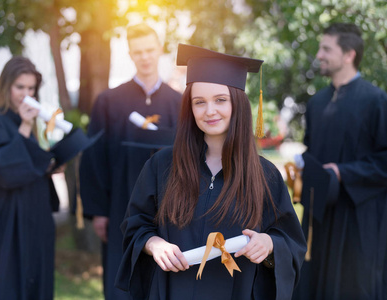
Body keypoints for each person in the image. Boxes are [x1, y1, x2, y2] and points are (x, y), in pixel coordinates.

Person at [115, 44, 307, 299]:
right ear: (189, 108)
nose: (209, 111)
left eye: (220, 100)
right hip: (174, 290)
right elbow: (135, 225)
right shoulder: (162, 166)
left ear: (237, 103)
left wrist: (269, 244)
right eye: (199, 102)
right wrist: (154, 244)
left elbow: (290, 240)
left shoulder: (264, 175)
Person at [79, 23, 182, 299]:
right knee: (120, 281)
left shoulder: (180, 104)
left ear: (159, 49)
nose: (145, 57)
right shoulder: (109, 102)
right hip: (120, 208)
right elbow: (94, 159)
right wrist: (99, 211)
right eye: (138, 52)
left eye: (149, 50)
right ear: (130, 54)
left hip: (171, 212)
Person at [292, 23, 387, 300]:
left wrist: (342, 172)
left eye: (326, 49)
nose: (319, 55)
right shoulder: (317, 103)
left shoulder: (376, 101)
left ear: (349, 55)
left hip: (358, 217)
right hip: (319, 213)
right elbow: (311, 150)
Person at [0, 56, 61, 300]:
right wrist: (25, 127)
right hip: (4, 220)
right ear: (6, 86)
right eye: (20, 88)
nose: (25, 94)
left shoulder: (36, 123)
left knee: (34, 281)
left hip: (33, 216)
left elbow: (32, 168)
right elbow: (5, 171)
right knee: (5, 284)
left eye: (31, 89)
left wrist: (51, 164)